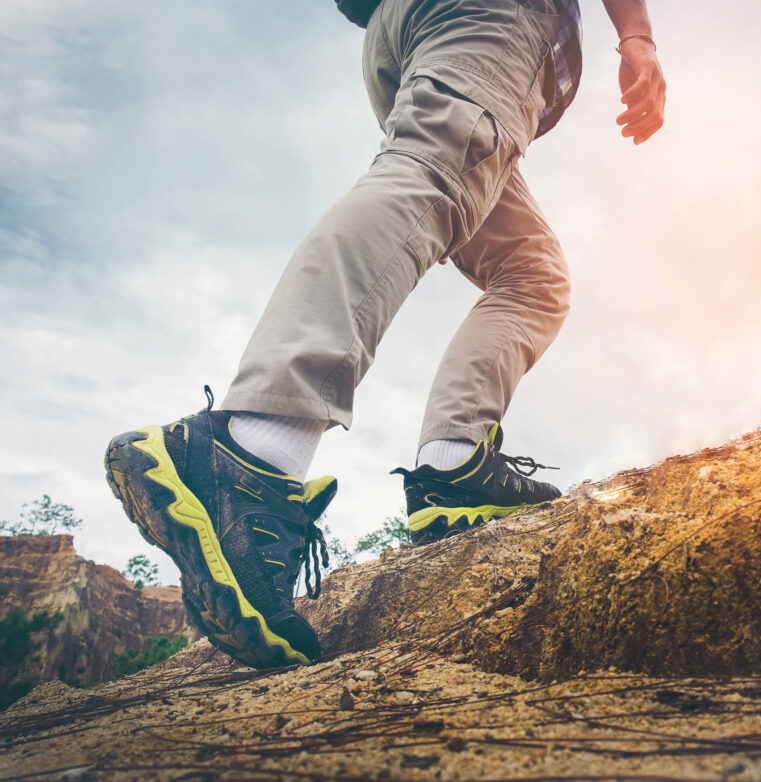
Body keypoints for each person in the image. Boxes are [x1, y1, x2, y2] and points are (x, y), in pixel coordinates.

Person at [104, 0, 666, 670]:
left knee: (532, 277)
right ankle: (251, 454)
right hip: (490, 17)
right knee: (431, 170)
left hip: (405, 34)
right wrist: (636, 34)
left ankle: (452, 468)